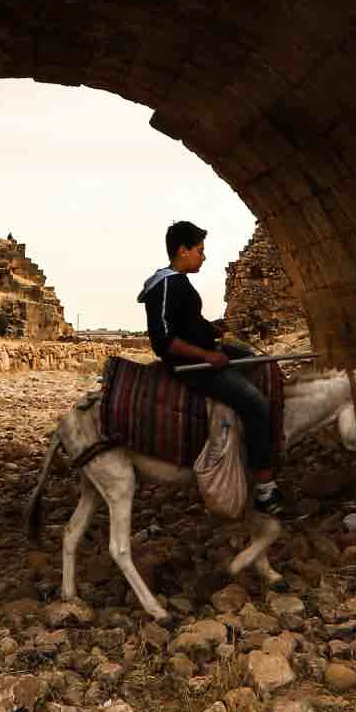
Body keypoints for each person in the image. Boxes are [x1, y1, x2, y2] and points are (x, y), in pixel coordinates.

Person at [138, 220, 284, 516]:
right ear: (182, 250)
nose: (203, 257)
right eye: (199, 251)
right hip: (191, 365)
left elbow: (187, 321)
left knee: (250, 359)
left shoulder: (177, 281)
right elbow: (164, 340)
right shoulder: (165, 284)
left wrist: (211, 328)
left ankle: (245, 444)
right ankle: (265, 490)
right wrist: (207, 355)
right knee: (255, 403)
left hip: (203, 354)